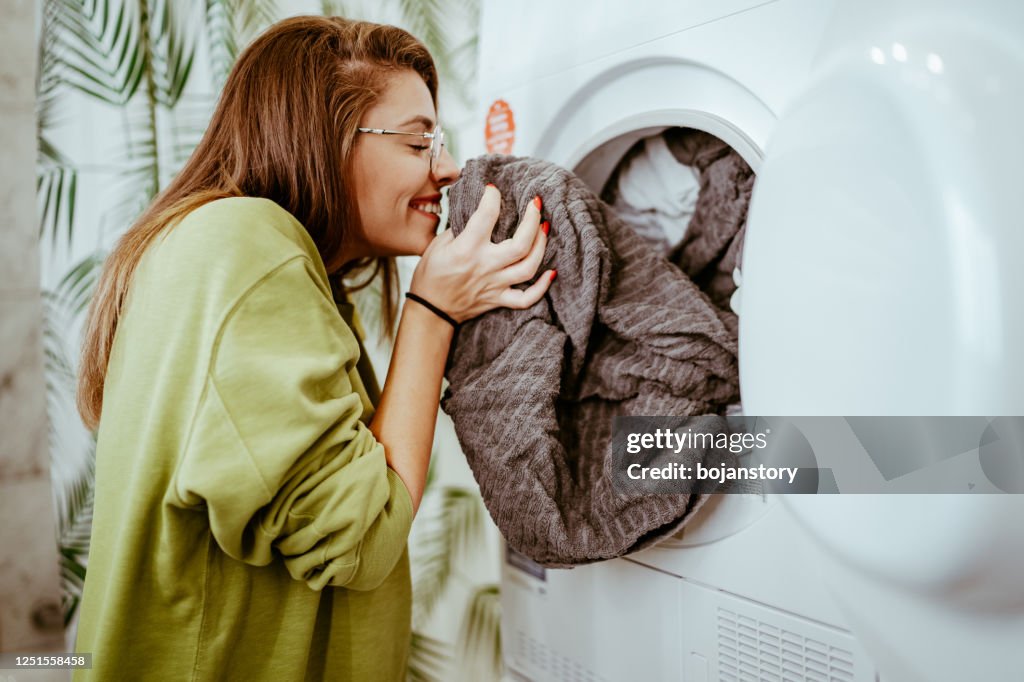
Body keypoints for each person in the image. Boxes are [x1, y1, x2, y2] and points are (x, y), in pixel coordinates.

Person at [73, 15, 553, 681]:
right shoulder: (245, 244)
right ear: (326, 137)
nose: (446, 169)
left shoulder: (247, 255)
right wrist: (432, 310)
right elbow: (359, 536)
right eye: (418, 142)